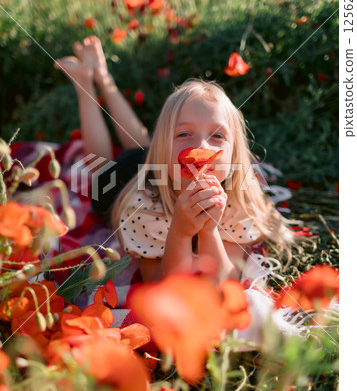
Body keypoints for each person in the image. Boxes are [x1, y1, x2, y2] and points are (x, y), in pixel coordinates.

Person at [54, 36, 301, 285]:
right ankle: (84, 82)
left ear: (235, 154)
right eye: (184, 134)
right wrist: (180, 232)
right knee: (102, 164)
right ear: (164, 149)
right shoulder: (141, 208)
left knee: (144, 145)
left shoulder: (241, 200)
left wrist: (209, 231)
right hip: (126, 179)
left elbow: (225, 281)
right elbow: (163, 286)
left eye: (217, 135)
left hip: (158, 161)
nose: (200, 147)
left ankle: (104, 77)